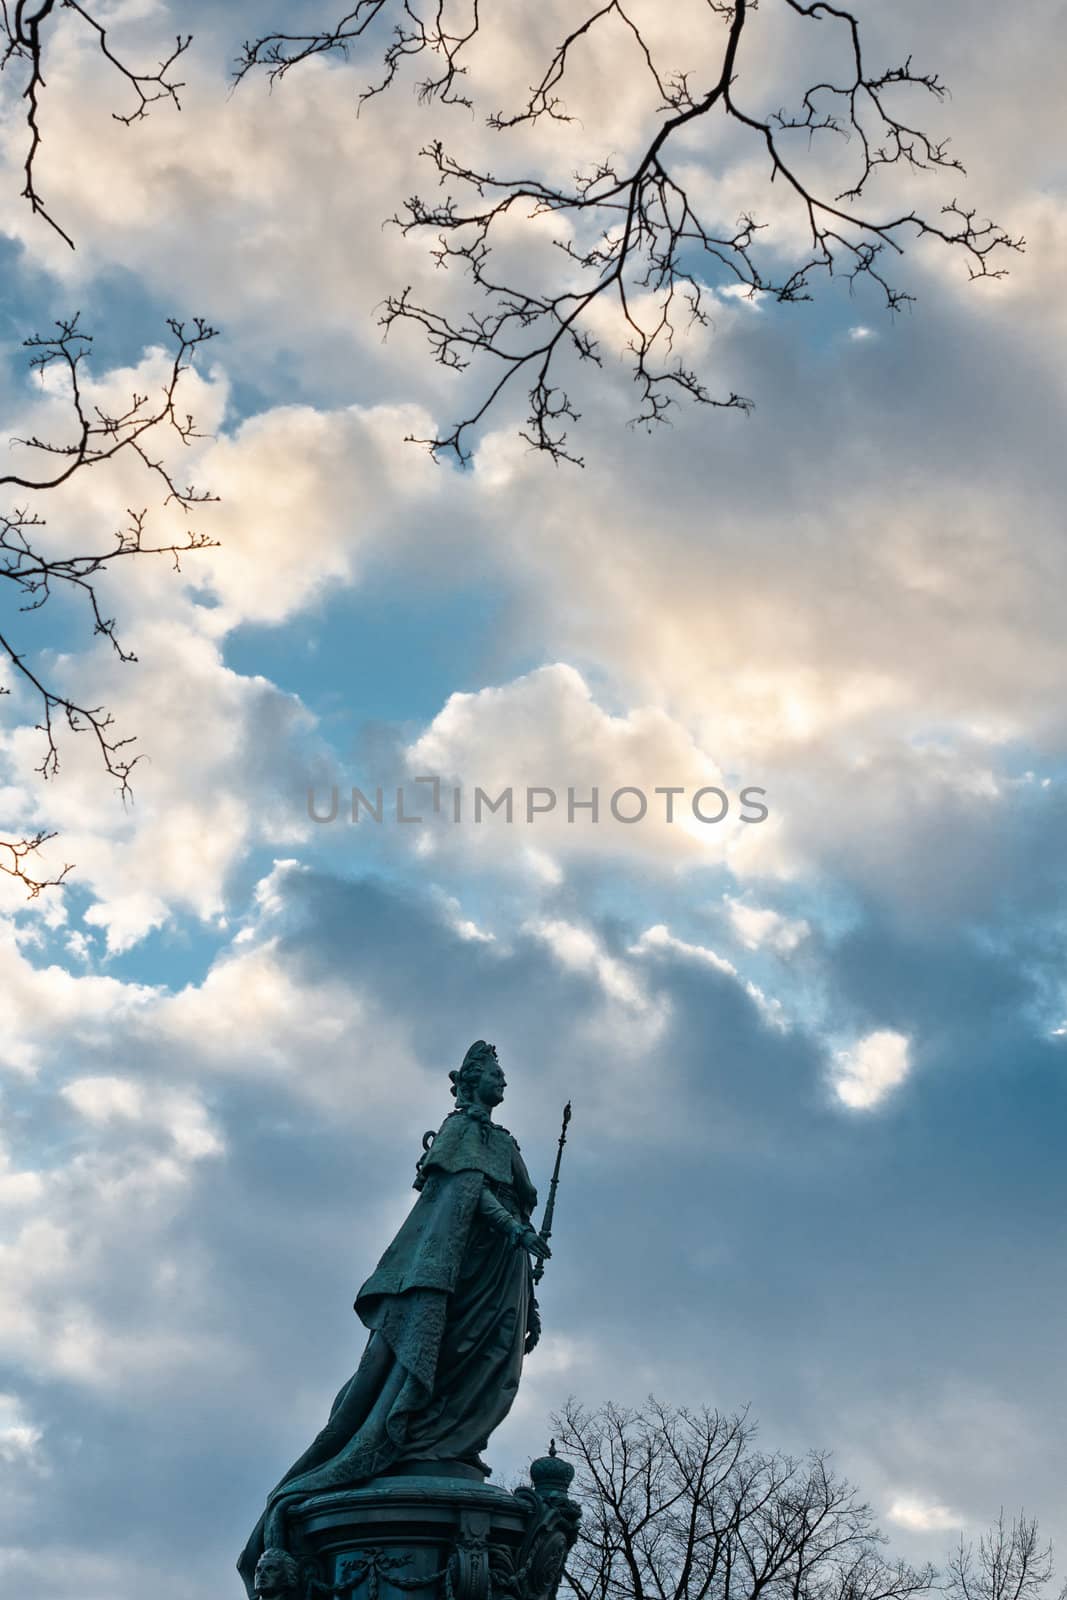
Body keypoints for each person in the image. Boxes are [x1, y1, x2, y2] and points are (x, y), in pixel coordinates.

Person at [238, 1041, 549, 1596]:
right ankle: (421, 1440)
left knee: (493, 1360)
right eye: (496, 1074)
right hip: (465, 1267)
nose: (503, 1083)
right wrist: (515, 1229)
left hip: (500, 1271)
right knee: (449, 1352)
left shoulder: (504, 1140)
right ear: (472, 1081)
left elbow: (510, 1198)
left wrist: (525, 1270)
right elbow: (471, 1196)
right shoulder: (463, 1132)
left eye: (504, 1075)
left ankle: (449, 1446)